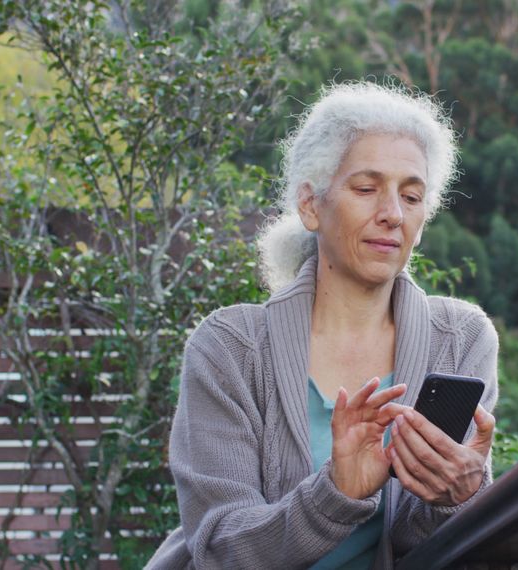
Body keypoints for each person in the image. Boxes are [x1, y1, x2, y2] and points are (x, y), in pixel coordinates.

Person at [146, 82, 499, 569]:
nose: (393, 214)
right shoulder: (230, 349)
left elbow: (433, 543)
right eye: (366, 189)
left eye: (412, 196)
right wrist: (335, 494)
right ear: (311, 205)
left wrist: (460, 495)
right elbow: (221, 549)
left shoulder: (460, 339)